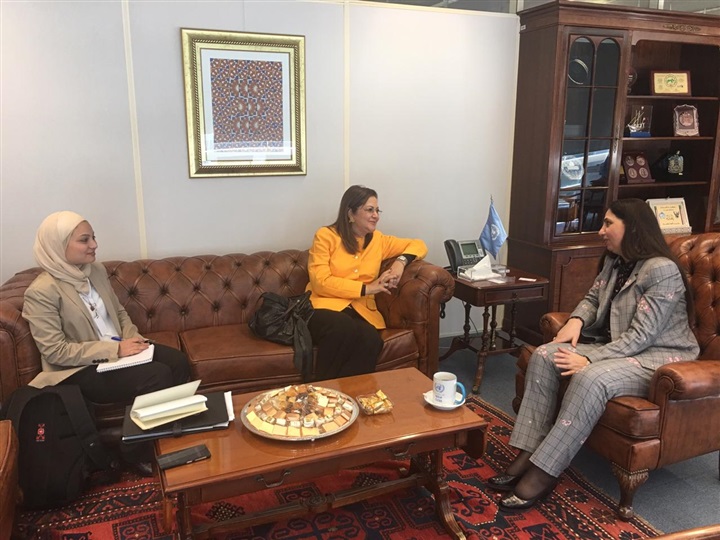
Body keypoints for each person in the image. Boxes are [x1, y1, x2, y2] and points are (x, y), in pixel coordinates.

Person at [489, 198, 699, 510]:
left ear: (633, 228)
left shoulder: (661, 270)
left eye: (608, 224)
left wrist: (588, 359)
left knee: (591, 377)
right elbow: (592, 298)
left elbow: (642, 336)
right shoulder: (616, 261)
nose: (601, 230)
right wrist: (576, 320)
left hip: (660, 357)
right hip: (620, 349)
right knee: (545, 355)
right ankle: (528, 451)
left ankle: (544, 472)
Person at [22, 211, 191, 475]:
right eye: (84, 240)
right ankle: (135, 453)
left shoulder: (96, 271)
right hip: (80, 368)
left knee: (178, 362)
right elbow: (55, 351)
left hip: (119, 349)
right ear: (58, 246)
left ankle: (166, 435)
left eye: (93, 237)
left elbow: (119, 312)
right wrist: (115, 350)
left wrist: (132, 337)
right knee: (156, 376)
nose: (94, 245)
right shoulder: (41, 292)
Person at [307, 185, 428, 380]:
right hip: (323, 306)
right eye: (369, 210)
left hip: (360, 311)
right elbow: (320, 282)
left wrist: (400, 263)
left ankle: (352, 393)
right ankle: (323, 390)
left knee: (371, 339)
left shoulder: (378, 240)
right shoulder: (326, 236)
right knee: (342, 328)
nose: (376, 216)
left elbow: (419, 244)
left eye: (377, 210)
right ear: (351, 213)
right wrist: (367, 288)